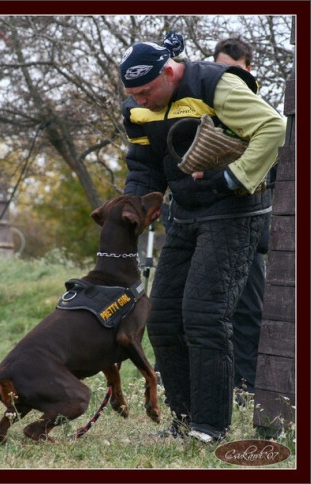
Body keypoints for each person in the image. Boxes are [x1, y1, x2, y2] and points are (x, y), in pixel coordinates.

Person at [119, 31, 286, 442]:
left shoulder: (217, 84)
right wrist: (138, 204)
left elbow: (274, 128)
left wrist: (232, 178)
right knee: (162, 319)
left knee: (204, 316)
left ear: (171, 72)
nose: (139, 100)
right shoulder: (138, 108)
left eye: (145, 90)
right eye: (133, 93)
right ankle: (183, 421)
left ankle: (211, 427)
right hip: (186, 212)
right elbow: (144, 164)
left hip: (234, 210)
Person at [213, 36, 277, 397]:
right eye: (223, 69)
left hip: (250, 222)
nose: (229, 76)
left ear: (249, 70)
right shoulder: (207, 106)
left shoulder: (259, 111)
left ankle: (247, 385)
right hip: (211, 220)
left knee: (250, 307)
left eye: (236, 70)